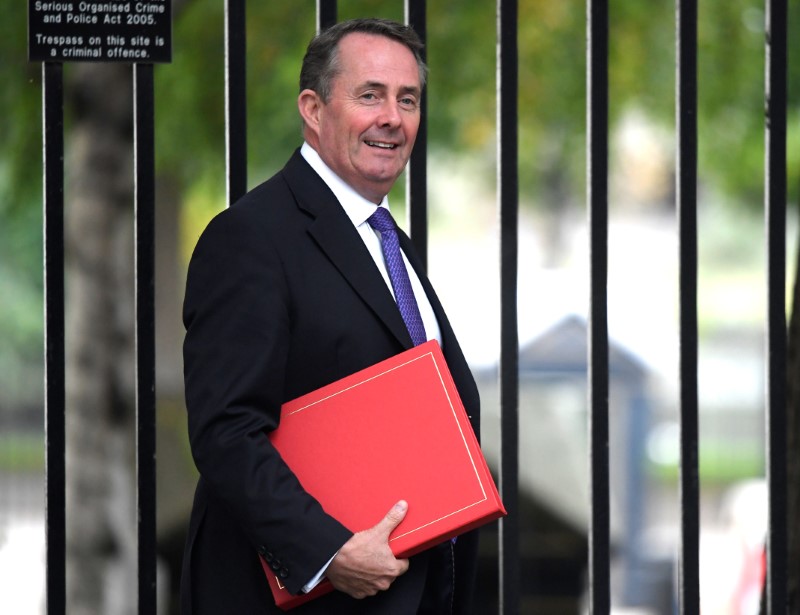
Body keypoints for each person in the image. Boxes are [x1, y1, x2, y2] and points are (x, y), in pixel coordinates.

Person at [180, 17, 481, 614]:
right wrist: (328, 551)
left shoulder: (387, 240)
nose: (392, 117)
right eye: (370, 95)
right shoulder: (250, 238)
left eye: (408, 99)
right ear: (313, 110)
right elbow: (226, 432)